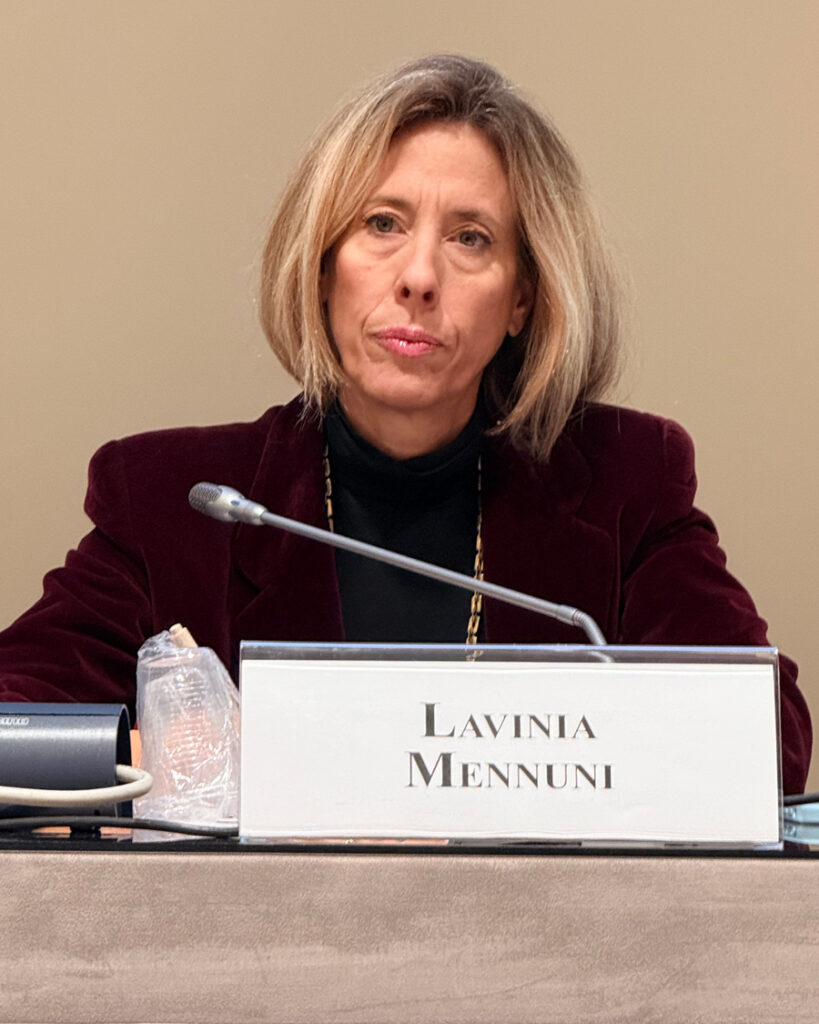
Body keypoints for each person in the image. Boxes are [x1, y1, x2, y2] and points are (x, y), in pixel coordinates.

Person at [0, 55, 811, 793]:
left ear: (521, 298)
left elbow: (764, 741)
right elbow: (15, 732)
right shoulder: (176, 503)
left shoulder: (623, 483)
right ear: (323, 266)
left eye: (470, 238)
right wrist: (192, 760)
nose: (418, 277)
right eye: (381, 224)